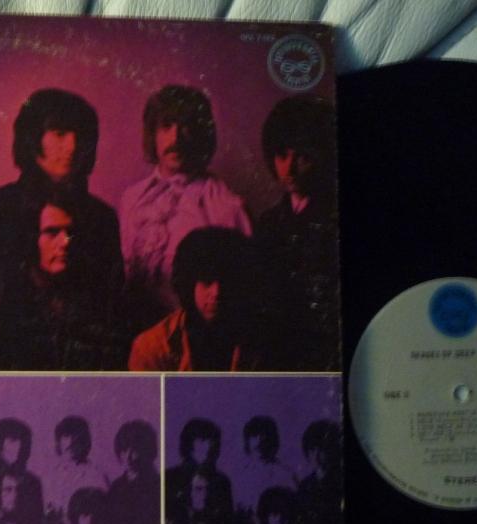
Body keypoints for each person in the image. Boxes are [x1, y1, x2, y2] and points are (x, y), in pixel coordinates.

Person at [0, 89, 121, 341]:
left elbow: (109, 310)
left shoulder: (102, 218)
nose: (72, 146)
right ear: (33, 138)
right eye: (60, 133)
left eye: (81, 135)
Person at [120, 85, 251, 332]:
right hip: (134, 331)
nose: (175, 138)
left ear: (201, 134)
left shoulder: (224, 204)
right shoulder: (131, 199)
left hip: (192, 335)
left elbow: (242, 287)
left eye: (186, 126)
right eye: (166, 126)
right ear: (153, 133)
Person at [0, 190, 126, 370]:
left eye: (70, 233)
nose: (65, 242)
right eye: (52, 232)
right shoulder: (3, 300)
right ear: (33, 239)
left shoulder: (96, 298)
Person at [255, 95, 339, 371]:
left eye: (302, 157)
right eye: (282, 155)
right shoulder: (268, 222)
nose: (289, 168)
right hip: (278, 348)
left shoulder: (333, 218)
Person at [128, 227, 259, 371]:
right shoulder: (152, 348)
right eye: (207, 280)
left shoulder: (259, 340)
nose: (216, 292)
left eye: (226, 281)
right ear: (189, 283)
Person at [165, 418, 235, 524]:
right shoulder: (170, 477)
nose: (209, 445)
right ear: (189, 445)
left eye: (212, 441)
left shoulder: (222, 481)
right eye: (203, 440)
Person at [104, 420, 160, 524]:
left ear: (147, 451)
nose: (128, 457)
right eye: (124, 451)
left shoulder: (158, 485)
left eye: (134, 450)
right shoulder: (116, 487)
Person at [293, 420, 343, 524]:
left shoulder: (340, 481)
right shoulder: (305, 485)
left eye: (321, 449)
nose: (315, 455)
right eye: (311, 450)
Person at [44, 416, 108, 524]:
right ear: (59, 442)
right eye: (66, 436)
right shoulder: (52, 475)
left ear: (84, 441)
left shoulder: (96, 475)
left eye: (76, 437)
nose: (70, 442)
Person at [234, 417, 297, 521]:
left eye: (263, 435)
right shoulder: (241, 476)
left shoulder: (286, 474)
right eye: (254, 435)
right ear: (247, 440)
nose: (259, 440)